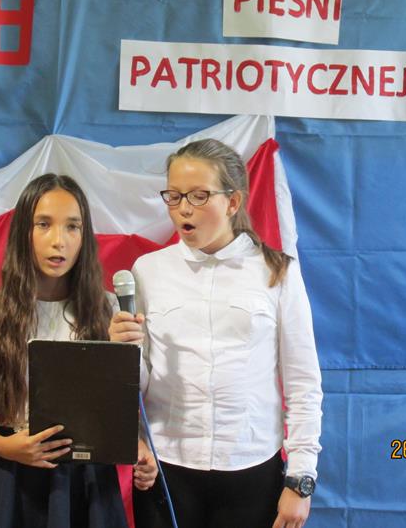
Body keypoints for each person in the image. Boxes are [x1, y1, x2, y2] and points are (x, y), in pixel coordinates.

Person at [109, 139, 323, 528]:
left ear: (233, 201)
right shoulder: (148, 271)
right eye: (174, 196)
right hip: (167, 467)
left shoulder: (277, 272)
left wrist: (301, 478)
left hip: (251, 466)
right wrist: (123, 352)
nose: (183, 208)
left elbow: (303, 384)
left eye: (199, 195)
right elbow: (139, 384)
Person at [0, 173, 157, 528]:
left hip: (87, 479)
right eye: (44, 224)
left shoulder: (110, 310)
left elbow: (124, 402)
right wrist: (4, 446)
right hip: (12, 475)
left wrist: (139, 444)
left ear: (84, 236)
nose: (59, 241)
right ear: (24, 232)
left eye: (72, 226)